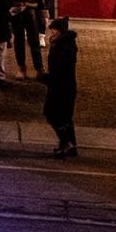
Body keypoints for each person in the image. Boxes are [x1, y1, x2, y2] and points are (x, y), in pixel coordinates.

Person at [4, 0, 44, 79]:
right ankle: (21, 68)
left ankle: (39, 68)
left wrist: (33, 5)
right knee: (19, 40)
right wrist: (13, 3)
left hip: (30, 10)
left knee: (34, 40)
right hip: (17, 12)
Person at [44, 16, 79, 157]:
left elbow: (59, 68)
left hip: (60, 87)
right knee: (65, 117)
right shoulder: (66, 44)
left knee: (53, 114)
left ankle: (66, 143)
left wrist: (46, 78)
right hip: (65, 86)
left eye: (53, 30)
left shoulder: (62, 46)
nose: (51, 33)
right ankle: (71, 145)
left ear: (59, 31)